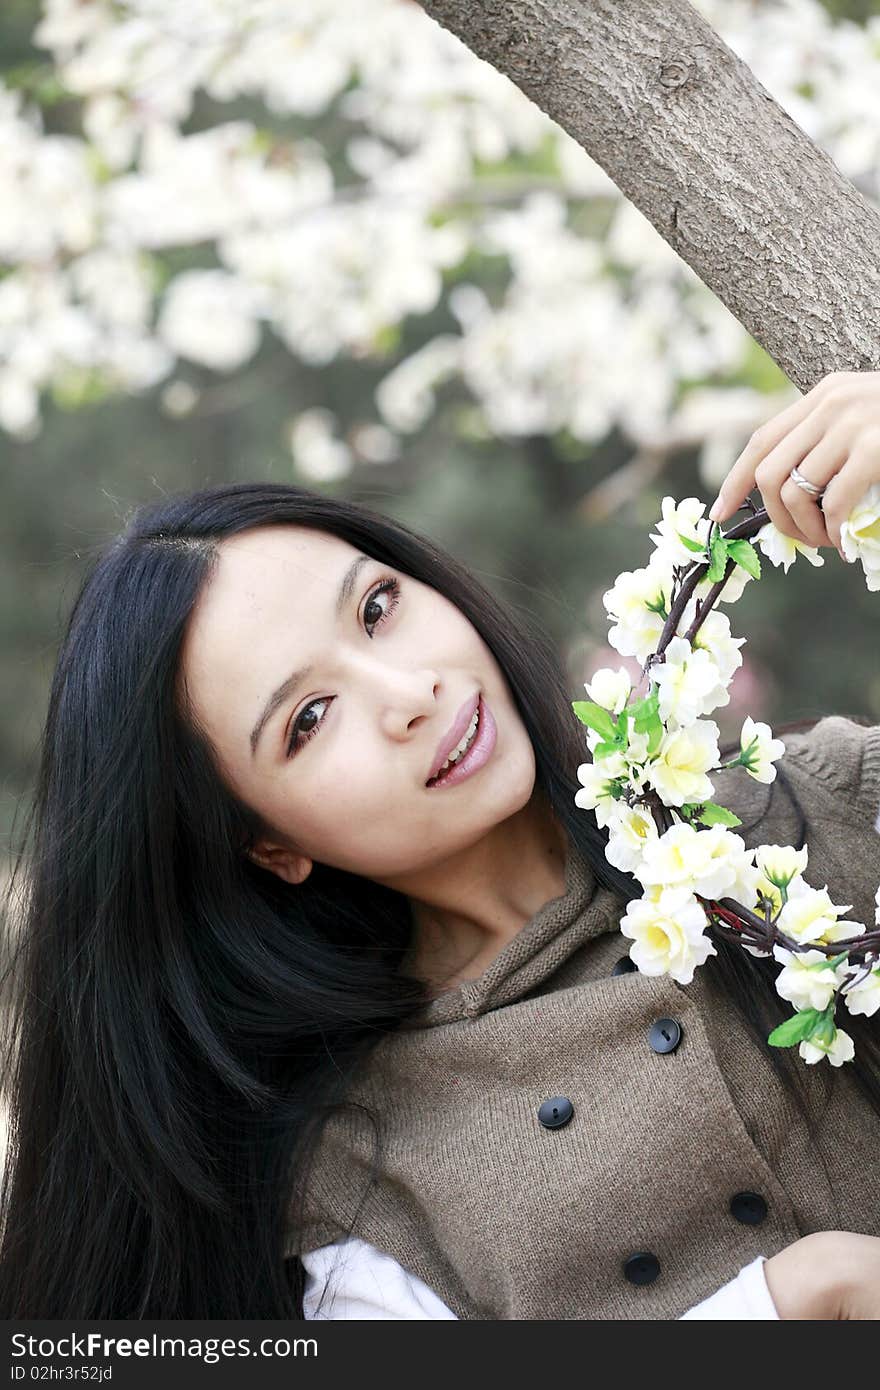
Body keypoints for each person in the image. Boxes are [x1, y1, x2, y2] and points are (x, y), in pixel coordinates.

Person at [0, 372, 879, 1320]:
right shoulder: (357, 1188)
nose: (409, 691)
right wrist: (789, 1305)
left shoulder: (821, 800)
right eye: (311, 717)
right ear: (266, 845)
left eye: (377, 608)